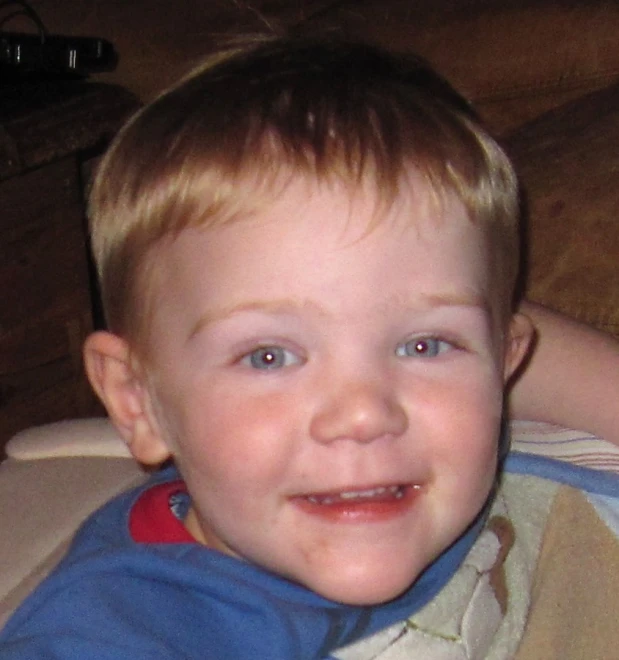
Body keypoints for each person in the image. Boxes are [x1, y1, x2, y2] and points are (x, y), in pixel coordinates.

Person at [1, 36, 618, 659]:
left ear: (502, 365)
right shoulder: (117, 636)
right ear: (140, 401)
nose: (365, 413)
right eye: (269, 356)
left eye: (425, 345)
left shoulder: (456, 431)